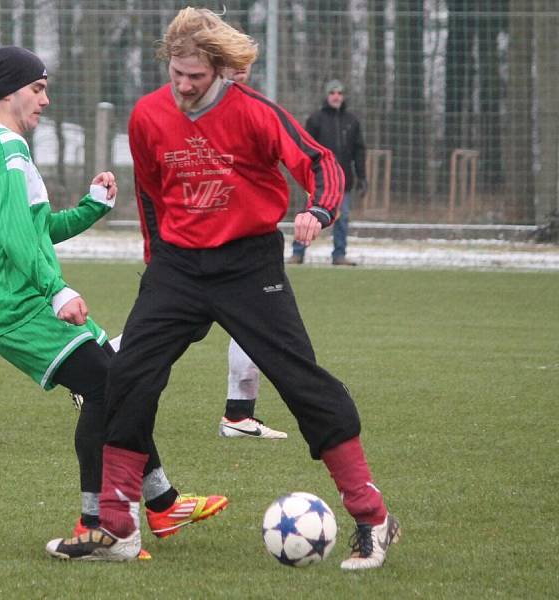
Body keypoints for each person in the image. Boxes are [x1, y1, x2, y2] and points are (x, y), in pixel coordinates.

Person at [46, 9, 399, 569]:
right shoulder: (147, 116)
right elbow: (152, 199)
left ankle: (372, 516)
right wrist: (157, 266)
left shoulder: (256, 113)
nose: (184, 86)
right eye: (177, 74)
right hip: (177, 269)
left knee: (302, 383)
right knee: (126, 377)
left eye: (197, 77)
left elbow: (319, 161)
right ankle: (116, 527)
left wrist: (321, 209)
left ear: (225, 71)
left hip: (247, 267)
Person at [0, 46, 226, 560]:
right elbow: (15, 237)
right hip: (12, 305)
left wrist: (89, 208)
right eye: (38, 88)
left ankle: (160, 502)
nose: (45, 99)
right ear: (9, 91)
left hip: (20, 296)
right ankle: (99, 522)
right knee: (108, 387)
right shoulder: (2, 147)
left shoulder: (4, 146)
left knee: (118, 378)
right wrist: (56, 289)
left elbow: (35, 231)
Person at [214, 62, 287, 441]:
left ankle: (239, 415)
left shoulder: (255, 112)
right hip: (209, 248)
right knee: (166, 332)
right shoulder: (202, 115)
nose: (241, 75)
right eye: (232, 67)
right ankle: (97, 367)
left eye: (246, 68)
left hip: (245, 245)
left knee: (253, 326)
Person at [291, 79, 367, 266]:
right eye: (333, 93)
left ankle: (339, 254)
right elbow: (305, 150)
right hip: (317, 180)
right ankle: (298, 252)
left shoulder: (352, 121)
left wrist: (362, 177)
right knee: (308, 216)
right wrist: (306, 176)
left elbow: (359, 151)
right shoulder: (315, 119)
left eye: (339, 93)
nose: (336, 96)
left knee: (343, 218)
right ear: (327, 95)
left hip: (343, 181)